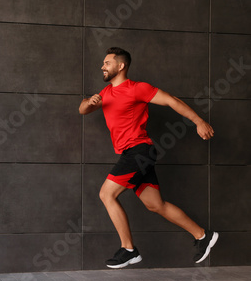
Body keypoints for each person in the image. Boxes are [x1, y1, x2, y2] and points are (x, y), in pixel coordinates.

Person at [79, 47, 218, 269]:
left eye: (107, 63)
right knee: (156, 205)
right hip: (132, 153)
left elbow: (172, 100)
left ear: (120, 66)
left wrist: (199, 121)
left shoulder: (137, 89)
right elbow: (83, 110)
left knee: (106, 194)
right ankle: (203, 235)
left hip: (139, 151)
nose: (102, 66)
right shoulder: (105, 93)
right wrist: (90, 102)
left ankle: (128, 250)